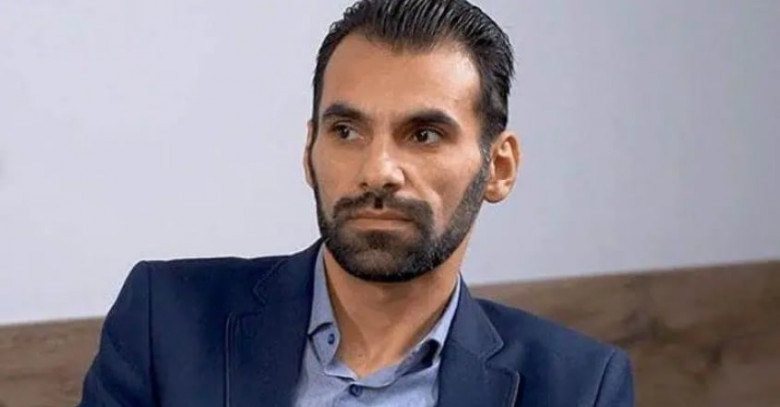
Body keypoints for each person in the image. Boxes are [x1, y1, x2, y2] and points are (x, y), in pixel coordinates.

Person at [78, 0, 634, 406]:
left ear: (499, 167)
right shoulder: (165, 320)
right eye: (346, 131)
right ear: (309, 152)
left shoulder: (578, 387)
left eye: (424, 134)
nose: (377, 171)